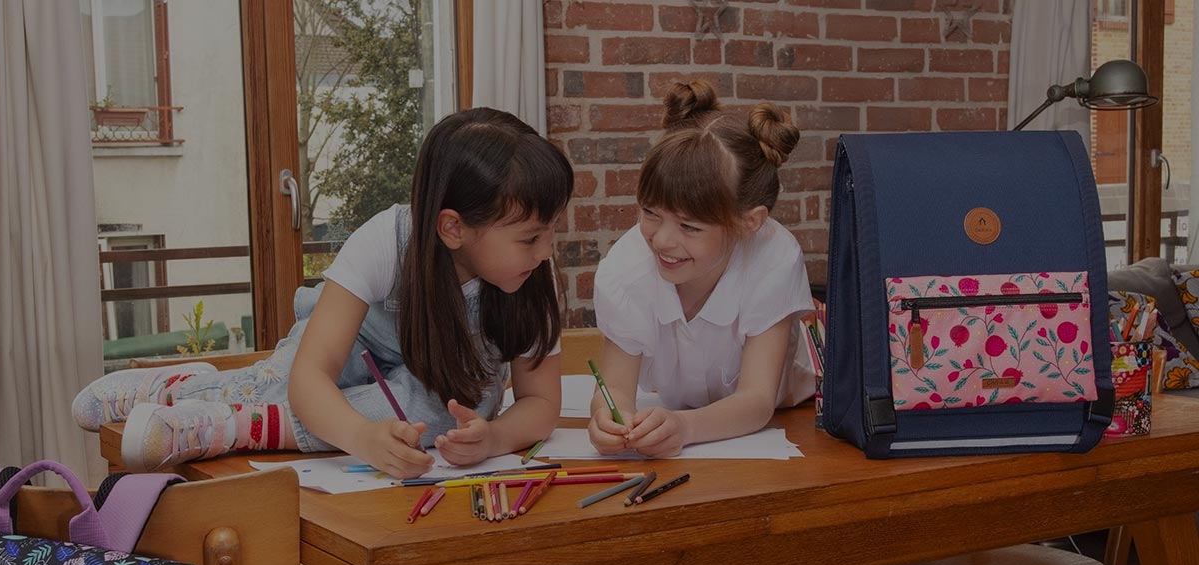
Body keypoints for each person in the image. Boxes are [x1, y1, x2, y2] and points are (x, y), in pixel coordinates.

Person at [74, 107, 570, 478]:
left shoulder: (525, 278)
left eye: (550, 232)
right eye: (531, 237)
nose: (545, 251)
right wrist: (362, 439)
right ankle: (189, 394)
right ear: (453, 228)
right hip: (356, 348)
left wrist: (494, 438)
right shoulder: (387, 241)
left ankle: (232, 424)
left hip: (423, 383)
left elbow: (541, 403)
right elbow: (313, 375)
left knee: (445, 412)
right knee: (292, 374)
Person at [587, 80, 816, 458]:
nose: (661, 240)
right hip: (686, 423)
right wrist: (607, 418)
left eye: (689, 227)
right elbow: (613, 388)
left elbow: (758, 399)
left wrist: (685, 427)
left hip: (789, 419)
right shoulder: (627, 267)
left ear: (750, 222)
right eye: (650, 213)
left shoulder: (774, 257)